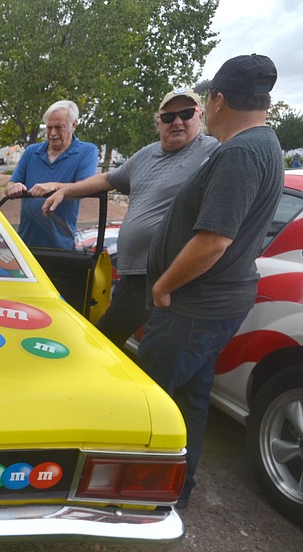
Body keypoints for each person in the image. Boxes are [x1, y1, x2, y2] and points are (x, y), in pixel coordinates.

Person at [138, 54, 283, 507]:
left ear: (217, 101)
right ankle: (178, 490)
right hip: (212, 304)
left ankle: (141, 496)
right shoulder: (266, 144)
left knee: (151, 401)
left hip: (193, 306)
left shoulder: (240, 153)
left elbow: (214, 241)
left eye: (203, 101)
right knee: (190, 400)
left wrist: (162, 286)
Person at [41, 89, 219, 347]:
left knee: (112, 348)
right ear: (158, 121)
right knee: (109, 344)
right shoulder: (146, 154)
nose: (177, 122)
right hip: (136, 277)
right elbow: (106, 180)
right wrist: (65, 189)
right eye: (169, 117)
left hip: (171, 277)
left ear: (199, 116)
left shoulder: (214, 153)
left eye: (186, 114)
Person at [5, 100, 99, 249]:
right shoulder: (31, 152)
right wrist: (13, 187)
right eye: (49, 127)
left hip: (60, 247)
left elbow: (86, 187)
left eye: (59, 127)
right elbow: (10, 185)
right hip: (25, 245)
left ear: (74, 125)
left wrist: (54, 187)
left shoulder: (87, 151)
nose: (53, 133)